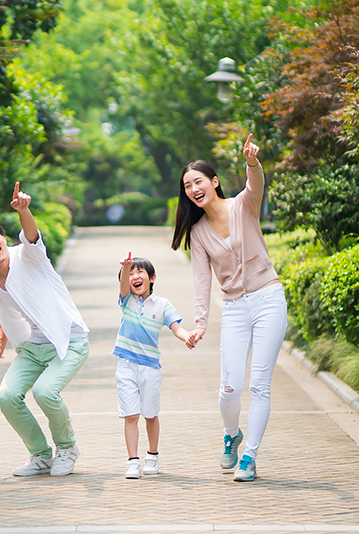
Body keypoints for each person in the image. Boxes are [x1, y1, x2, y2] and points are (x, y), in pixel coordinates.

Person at [172, 134, 287, 482]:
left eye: (198, 181)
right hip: (235, 308)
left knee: (260, 385)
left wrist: (252, 162)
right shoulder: (198, 233)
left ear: (214, 182)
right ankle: (231, 434)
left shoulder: (242, 206)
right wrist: (200, 323)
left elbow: (256, 185)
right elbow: (202, 281)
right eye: (187, 185)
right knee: (229, 389)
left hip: (269, 299)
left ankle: (249, 457)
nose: (193, 188)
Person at [0, 182, 90, 477]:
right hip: (33, 348)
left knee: (46, 392)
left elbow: (31, 235)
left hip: (68, 340)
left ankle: (67, 448)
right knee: (7, 398)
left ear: (4, 238)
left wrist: (24, 210)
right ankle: (40, 455)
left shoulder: (29, 256)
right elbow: (8, 314)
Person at [114, 252, 190, 479]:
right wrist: (125, 268)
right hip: (126, 365)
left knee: (150, 415)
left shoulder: (163, 304)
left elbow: (177, 328)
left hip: (151, 368)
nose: (135, 276)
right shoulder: (127, 300)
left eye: (141, 272)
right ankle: (132, 461)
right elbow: (123, 284)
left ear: (152, 277)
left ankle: (152, 456)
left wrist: (188, 337)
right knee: (131, 415)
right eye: (131, 274)